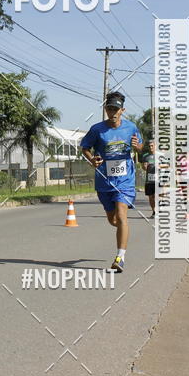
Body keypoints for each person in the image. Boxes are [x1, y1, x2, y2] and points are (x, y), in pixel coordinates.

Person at [80, 90, 143, 272]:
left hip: (125, 180)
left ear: (122, 110)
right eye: (109, 108)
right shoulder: (97, 129)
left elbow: (139, 147)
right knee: (113, 219)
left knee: (122, 216)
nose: (112, 112)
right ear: (106, 109)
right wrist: (92, 159)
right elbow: (85, 148)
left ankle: (120, 257)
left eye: (116, 109)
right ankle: (123, 231)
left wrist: (136, 146)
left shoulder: (131, 127)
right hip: (104, 181)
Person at [141, 139, 156, 218]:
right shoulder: (145, 156)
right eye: (149, 146)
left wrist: (159, 166)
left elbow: (167, 165)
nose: (151, 147)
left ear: (155, 146)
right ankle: (154, 211)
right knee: (151, 197)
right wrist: (144, 166)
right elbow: (143, 167)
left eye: (152, 146)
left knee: (157, 196)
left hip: (158, 179)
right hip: (149, 180)